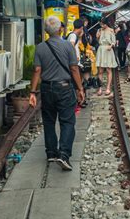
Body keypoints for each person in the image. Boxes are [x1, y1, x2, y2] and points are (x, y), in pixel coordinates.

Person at [29, 16, 85, 171]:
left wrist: (32, 92)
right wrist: (80, 89)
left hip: (47, 88)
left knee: (48, 121)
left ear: (47, 32)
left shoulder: (40, 47)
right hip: (65, 88)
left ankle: (51, 152)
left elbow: (37, 70)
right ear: (60, 29)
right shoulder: (68, 46)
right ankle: (64, 154)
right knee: (67, 121)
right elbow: (74, 69)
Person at [67, 19, 88, 109]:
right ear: (81, 27)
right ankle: (79, 101)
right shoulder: (73, 36)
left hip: (75, 63)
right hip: (74, 64)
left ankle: (79, 100)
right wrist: (74, 57)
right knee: (77, 83)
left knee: (77, 83)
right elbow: (71, 45)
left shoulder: (73, 35)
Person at [96, 18, 118, 96]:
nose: (102, 26)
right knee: (100, 70)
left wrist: (111, 46)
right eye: (101, 24)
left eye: (103, 24)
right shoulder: (99, 30)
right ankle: (100, 88)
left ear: (106, 23)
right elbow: (98, 40)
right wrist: (98, 36)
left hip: (108, 50)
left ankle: (108, 87)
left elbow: (114, 41)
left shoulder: (111, 30)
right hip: (101, 49)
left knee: (109, 69)